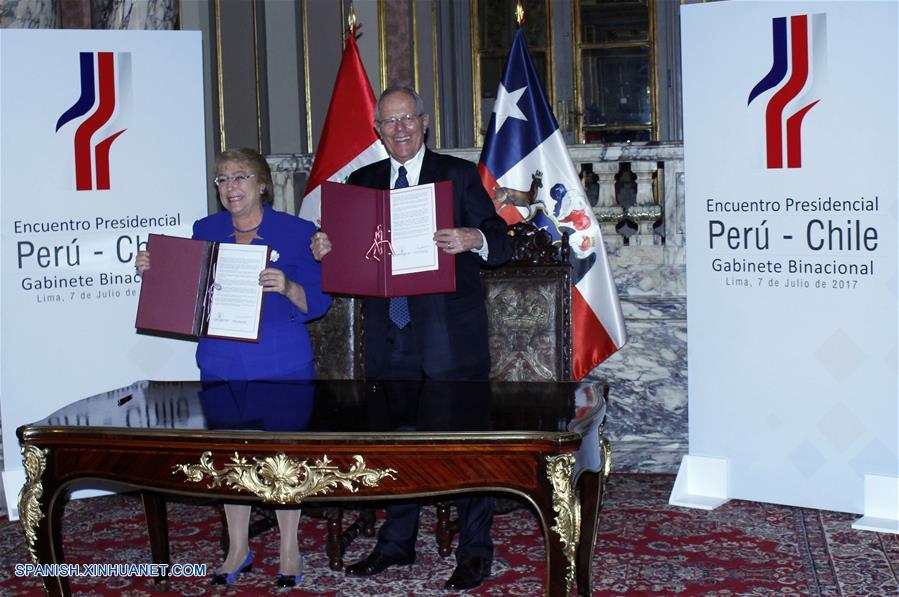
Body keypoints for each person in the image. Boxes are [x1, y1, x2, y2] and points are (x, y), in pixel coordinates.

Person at [311, 85, 512, 591]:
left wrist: (474, 238)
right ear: (377, 130)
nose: (399, 130)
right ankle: (396, 544)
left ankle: (474, 552)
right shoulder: (363, 180)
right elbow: (348, 258)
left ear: (424, 122)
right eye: (389, 122)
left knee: (466, 449)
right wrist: (326, 246)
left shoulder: (458, 174)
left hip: (451, 339)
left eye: (407, 120)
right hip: (390, 338)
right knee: (397, 446)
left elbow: (502, 241)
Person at [136, 148, 330, 588]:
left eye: (240, 177)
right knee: (231, 460)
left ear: (263, 184)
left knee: (283, 462)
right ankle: (237, 549)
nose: (230, 188)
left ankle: (288, 550)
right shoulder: (204, 230)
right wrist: (155, 270)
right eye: (222, 180)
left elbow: (318, 302)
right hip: (221, 360)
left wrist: (288, 286)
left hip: (280, 363)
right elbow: (187, 291)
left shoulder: (297, 232)